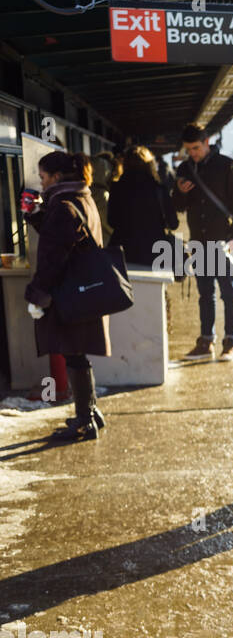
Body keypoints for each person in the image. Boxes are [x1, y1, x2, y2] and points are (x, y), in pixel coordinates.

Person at [22, 151, 110, 441]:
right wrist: (37, 215)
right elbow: (63, 237)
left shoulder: (63, 206)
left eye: (43, 177)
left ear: (57, 177)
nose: (41, 183)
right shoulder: (80, 197)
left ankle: (85, 421)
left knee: (73, 354)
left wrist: (37, 295)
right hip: (81, 290)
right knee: (76, 353)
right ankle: (90, 412)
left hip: (68, 292)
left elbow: (53, 257)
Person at [171, 122, 233, 361]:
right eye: (188, 149)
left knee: (228, 293)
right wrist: (180, 192)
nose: (192, 153)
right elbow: (177, 207)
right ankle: (206, 342)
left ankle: (230, 342)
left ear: (206, 142)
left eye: (195, 148)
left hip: (224, 240)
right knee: (205, 295)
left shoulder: (228, 166)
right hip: (199, 241)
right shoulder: (184, 168)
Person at [107, 146, 179, 267]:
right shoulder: (159, 190)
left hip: (123, 254)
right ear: (150, 165)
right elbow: (173, 224)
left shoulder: (116, 189)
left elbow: (112, 221)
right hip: (156, 255)